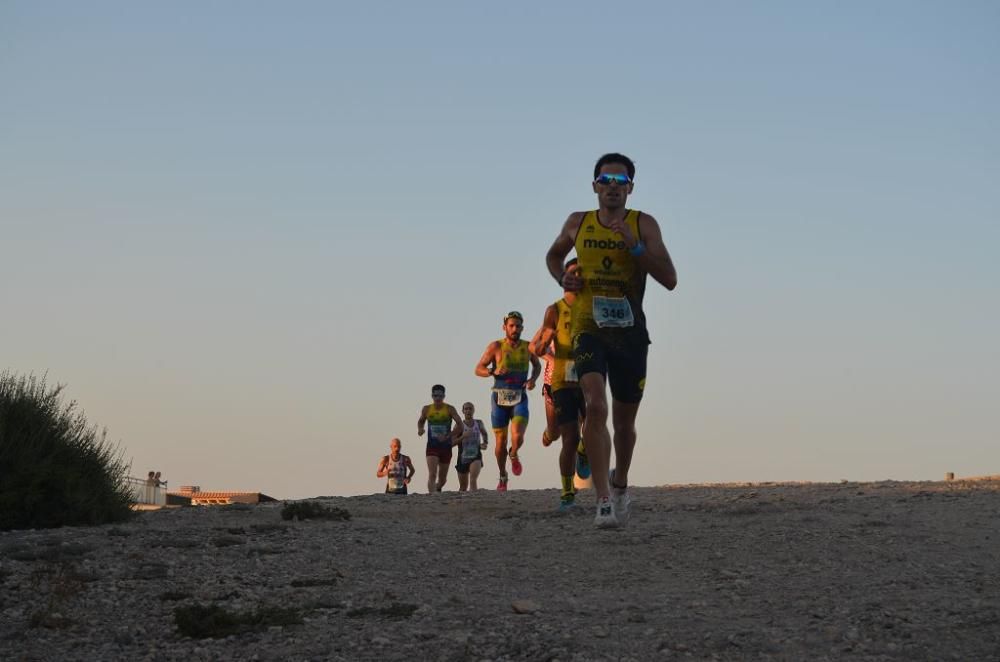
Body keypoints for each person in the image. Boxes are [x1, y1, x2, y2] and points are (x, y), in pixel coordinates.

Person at [545, 153, 678, 528]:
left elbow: (670, 278)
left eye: (621, 182)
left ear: (631, 189)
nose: (613, 187)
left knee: (624, 423)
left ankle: (620, 485)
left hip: (630, 334)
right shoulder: (578, 223)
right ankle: (602, 499)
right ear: (594, 187)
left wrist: (636, 248)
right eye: (606, 180)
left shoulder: (643, 224)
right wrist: (562, 278)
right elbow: (553, 255)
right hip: (589, 329)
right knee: (595, 406)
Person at [530, 257, 590, 511]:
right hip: (560, 379)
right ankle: (567, 493)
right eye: (572, 273)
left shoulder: (593, 306)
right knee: (565, 436)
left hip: (589, 376)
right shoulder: (554, 310)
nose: (576, 277)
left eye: (581, 272)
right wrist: (548, 348)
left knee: (594, 422)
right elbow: (536, 346)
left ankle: (584, 451)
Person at [474, 311, 542, 492]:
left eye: (518, 326)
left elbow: (537, 365)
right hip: (499, 398)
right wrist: (492, 372)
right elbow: (478, 368)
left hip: (519, 397)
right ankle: (503, 475)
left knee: (518, 436)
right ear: (505, 327)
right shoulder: (496, 346)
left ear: (522, 328)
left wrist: (533, 379)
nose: (515, 329)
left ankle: (513, 453)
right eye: (511, 326)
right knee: (500, 442)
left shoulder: (528, 347)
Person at [417, 385, 464, 492]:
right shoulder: (427, 409)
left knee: (442, 479)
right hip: (432, 446)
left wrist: (448, 435)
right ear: (432, 396)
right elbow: (421, 421)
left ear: (444, 396)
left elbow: (461, 426)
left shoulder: (449, 409)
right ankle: (432, 497)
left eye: (440, 396)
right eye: (435, 395)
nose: (437, 398)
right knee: (432, 474)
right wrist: (420, 429)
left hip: (446, 447)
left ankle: (437, 488)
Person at [455, 402, 489, 491]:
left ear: (473, 410)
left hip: (476, 455)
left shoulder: (479, 423)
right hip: (462, 457)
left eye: (470, 408)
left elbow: (484, 433)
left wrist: (485, 443)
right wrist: (463, 436)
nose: (468, 411)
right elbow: (451, 442)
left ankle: (473, 500)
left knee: (473, 479)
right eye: (466, 409)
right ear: (463, 411)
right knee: (463, 487)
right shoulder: (459, 426)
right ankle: (462, 503)